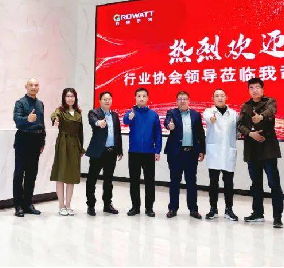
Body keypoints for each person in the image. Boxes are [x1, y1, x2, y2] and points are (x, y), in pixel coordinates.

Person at [237, 78, 284, 229]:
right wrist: (250, 134)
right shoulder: (245, 106)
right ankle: (257, 213)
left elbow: (271, 112)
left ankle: (277, 217)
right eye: (251, 88)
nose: (255, 90)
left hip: (268, 149)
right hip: (252, 150)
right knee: (256, 184)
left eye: (257, 87)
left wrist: (261, 117)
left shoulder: (270, 101)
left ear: (263, 89)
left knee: (273, 183)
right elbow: (240, 125)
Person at [164, 91, 206, 219]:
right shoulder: (172, 113)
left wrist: (202, 150)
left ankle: (193, 209)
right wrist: (169, 126)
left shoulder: (195, 115)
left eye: (184, 99)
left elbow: (200, 133)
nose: (182, 101)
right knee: (174, 182)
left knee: (191, 182)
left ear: (189, 100)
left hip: (191, 154)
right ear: (176, 101)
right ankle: (172, 208)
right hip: (176, 153)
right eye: (180, 99)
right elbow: (167, 122)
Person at [123, 88, 163, 218]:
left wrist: (157, 150)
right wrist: (129, 117)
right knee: (134, 180)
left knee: (149, 181)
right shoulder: (131, 113)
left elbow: (158, 134)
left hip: (149, 152)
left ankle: (149, 208)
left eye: (144, 96)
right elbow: (125, 121)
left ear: (148, 98)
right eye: (139, 96)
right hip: (134, 152)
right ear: (135, 98)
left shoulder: (153, 115)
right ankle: (135, 207)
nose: (141, 98)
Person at [202, 89, 239, 222]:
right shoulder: (208, 112)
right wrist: (212, 119)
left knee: (229, 183)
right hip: (214, 152)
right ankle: (213, 209)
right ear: (213, 98)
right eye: (217, 96)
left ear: (226, 97)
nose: (219, 98)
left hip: (228, 151)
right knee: (213, 182)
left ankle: (229, 209)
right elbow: (208, 119)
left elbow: (237, 131)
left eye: (222, 95)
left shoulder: (234, 114)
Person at [86, 92, 124, 217]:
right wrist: (98, 123)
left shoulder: (115, 115)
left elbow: (117, 133)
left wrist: (119, 150)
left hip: (111, 152)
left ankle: (107, 204)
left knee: (108, 180)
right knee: (92, 179)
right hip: (98, 152)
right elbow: (93, 121)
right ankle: (91, 205)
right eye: (104, 99)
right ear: (100, 101)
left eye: (109, 99)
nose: (107, 101)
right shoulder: (94, 113)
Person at [13, 78, 46, 218]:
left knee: (32, 174)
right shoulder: (20, 103)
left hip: (36, 141)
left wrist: (42, 142)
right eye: (31, 85)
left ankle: (28, 204)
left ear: (38, 87)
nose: (33, 87)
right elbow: (16, 120)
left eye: (36, 85)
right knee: (19, 174)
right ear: (26, 87)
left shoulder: (40, 104)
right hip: (23, 140)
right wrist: (27, 119)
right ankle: (18, 206)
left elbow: (42, 123)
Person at [50, 88, 85, 217]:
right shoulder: (60, 111)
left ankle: (68, 205)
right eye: (68, 96)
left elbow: (80, 133)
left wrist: (81, 148)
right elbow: (54, 115)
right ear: (64, 98)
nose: (70, 98)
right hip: (63, 145)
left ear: (75, 98)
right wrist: (55, 120)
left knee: (71, 176)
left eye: (72, 96)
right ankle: (61, 206)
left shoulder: (78, 113)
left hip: (75, 146)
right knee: (61, 175)